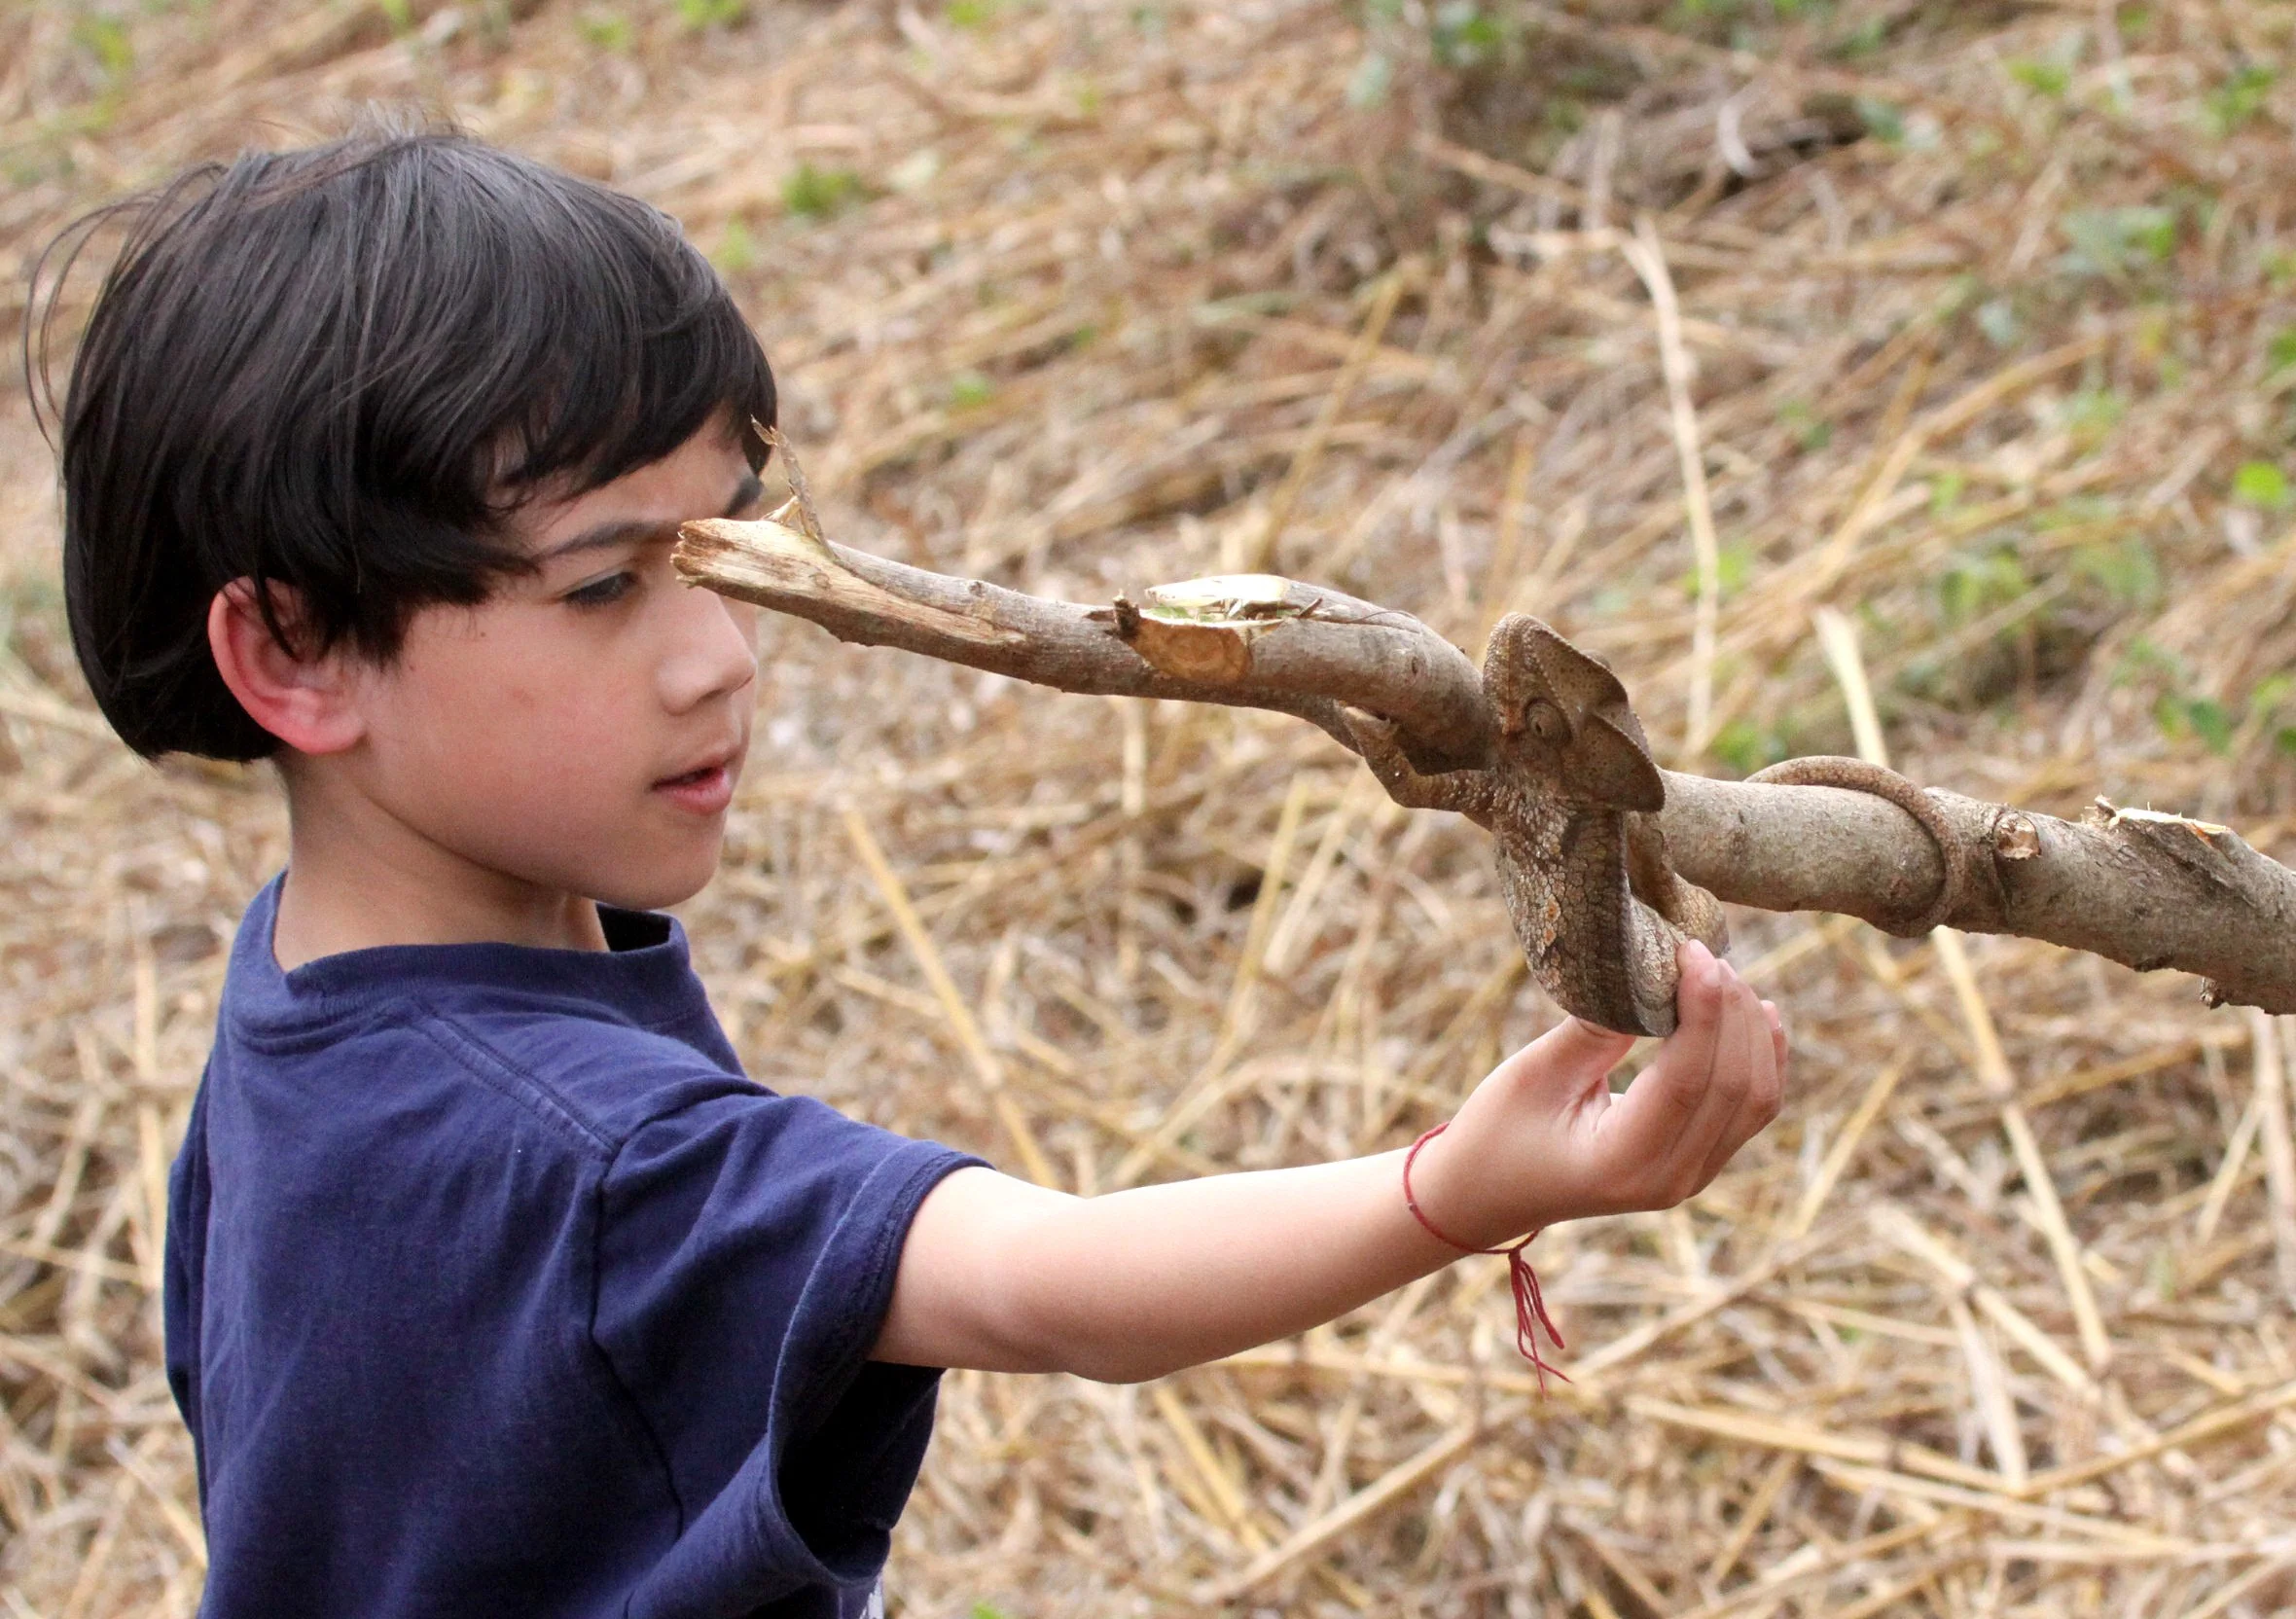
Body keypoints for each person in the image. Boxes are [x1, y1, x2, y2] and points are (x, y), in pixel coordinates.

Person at [38, 123, 1786, 1618]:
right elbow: (1044, 1280)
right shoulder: (577, 1149)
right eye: (603, 586)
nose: (721, 654)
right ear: (291, 653)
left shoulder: (304, 999)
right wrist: (1449, 1195)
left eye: (728, 550)